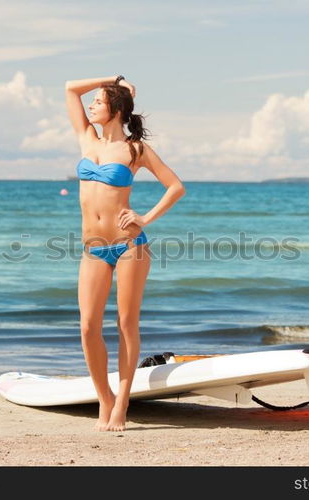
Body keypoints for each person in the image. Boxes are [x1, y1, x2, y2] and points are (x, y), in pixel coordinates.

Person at [64, 75, 186, 431]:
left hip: (130, 245)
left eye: (99, 102)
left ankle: (122, 403)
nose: (91, 106)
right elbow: (71, 88)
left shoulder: (135, 150)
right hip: (94, 249)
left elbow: (175, 186)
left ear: (115, 109)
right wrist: (114, 80)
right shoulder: (86, 138)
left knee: (126, 324)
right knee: (88, 327)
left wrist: (145, 216)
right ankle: (105, 397)